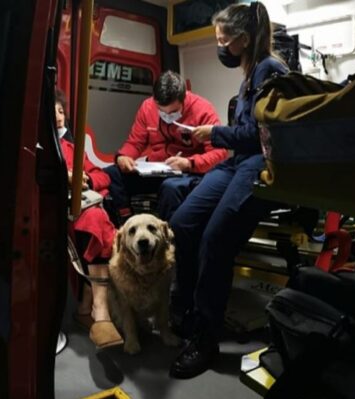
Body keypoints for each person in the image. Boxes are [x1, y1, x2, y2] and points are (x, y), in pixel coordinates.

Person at [168, 2, 289, 379]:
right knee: (183, 222)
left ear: (243, 38)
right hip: (237, 159)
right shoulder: (249, 72)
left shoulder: (272, 70)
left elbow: (263, 136)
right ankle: (184, 306)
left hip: (259, 164)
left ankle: (206, 336)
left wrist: (213, 133)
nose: (219, 44)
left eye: (223, 38)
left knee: (216, 238)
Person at [105, 70, 228, 223]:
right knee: (110, 174)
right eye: (161, 111)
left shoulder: (203, 110)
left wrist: (190, 163)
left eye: (173, 112)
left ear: (184, 99)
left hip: (190, 172)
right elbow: (135, 142)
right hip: (157, 169)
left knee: (170, 188)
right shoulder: (147, 107)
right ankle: (125, 223)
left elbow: (219, 153)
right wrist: (123, 157)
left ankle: (167, 238)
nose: (167, 115)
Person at [55, 90, 124, 349]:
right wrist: (66, 178)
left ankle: (89, 306)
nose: (59, 117)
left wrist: (88, 180)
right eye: (53, 113)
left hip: (84, 207)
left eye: (61, 111)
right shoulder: (43, 149)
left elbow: (103, 176)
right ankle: (98, 311)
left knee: (96, 220)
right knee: (95, 222)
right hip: (57, 211)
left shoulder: (74, 147)